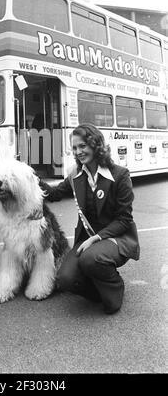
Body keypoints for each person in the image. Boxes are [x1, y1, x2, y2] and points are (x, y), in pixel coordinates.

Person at [39, 123, 139, 314]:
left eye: (82, 146)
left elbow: (124, 220)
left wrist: (95, 238)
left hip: (117, 238)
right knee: (65, 279)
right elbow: (54, 194)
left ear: (95, 144)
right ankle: (98, 286)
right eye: (75, 148)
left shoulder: (119, 175)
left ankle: (115, 285)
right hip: (89, 241)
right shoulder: (76, 175)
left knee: (90, 260)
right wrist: (31, 177)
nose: (78, 152)